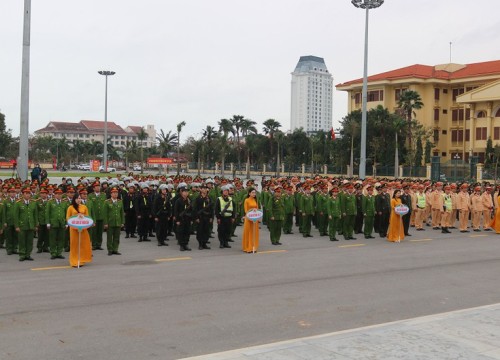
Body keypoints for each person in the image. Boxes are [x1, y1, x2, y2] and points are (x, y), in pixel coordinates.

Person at [66, 192, 92, 267]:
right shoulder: (70, 207)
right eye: (77, 198)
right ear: (74, 199)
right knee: (74, 244)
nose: (78, 200)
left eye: (80, 198)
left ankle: (81, 260)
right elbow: (68, 218)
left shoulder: (84, 207)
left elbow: (87, 217)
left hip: (83, 229)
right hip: (73, 229)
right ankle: (74, 260)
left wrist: (83, 222)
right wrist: (75, 221)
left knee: (82, 244)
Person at [14, 187, 39, 261]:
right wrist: (17, 226)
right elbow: (16, 216)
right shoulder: (18, 203)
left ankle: (28, 254)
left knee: (29, 241)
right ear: (23, 194)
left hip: (31, 225)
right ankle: (22, 254)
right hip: (22, 225)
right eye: (26, 193)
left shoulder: (33, 203)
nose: (28, 195)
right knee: (22, 241)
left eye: (29, 193)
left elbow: (35, 215)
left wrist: (36, 224)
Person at [46, 188, 68, 259]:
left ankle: (59, 252)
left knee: (61, 239)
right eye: (57, 194)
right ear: (54, 195)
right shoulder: (50, 202)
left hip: (62, 223)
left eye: (60, 194)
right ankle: (53, 253)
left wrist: (66, 223)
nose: (59, 195)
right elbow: (47, 213)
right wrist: (48, 223)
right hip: (53, 223)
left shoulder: (64, 202)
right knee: (53, 239)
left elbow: (66, 213)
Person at [104, 187, 125, 255]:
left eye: (116, 193)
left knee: (117, 237)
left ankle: (115, 249)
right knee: (109, 237)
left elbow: (122, 213)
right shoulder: (107, 202)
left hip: (118, 222)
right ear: (111, 194)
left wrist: (122, 222)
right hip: (110, 223)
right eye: (114, 193)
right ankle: (110, 250)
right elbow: (105, 213)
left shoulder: (120, 201)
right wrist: (106, 223)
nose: (115, 194)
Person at [242, 187, 260, 252]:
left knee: (254, 233)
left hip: (254, 219)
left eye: (255, 192)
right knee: (248, 232)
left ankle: (253, 246)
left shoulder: (255, 200)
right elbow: (246, 210)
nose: (254, 194)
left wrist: (257, 215)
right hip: (249, 218)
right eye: (252, 192)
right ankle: (247, 247)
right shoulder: (246, 200)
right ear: (249, 193)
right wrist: (252, 211)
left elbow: (257, 209)